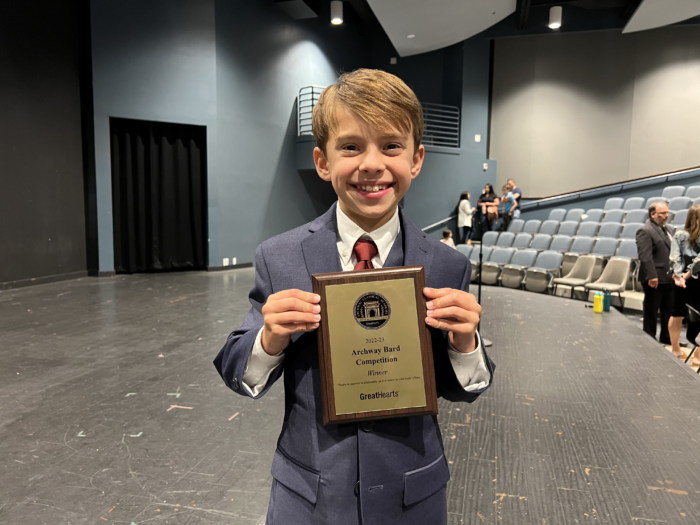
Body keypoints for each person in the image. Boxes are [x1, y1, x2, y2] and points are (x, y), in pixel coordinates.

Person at [214, 69, 494, 525]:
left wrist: (466, 345)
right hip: (310, 498)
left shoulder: (447, 266)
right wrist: (269, 339)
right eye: (350, 147)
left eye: (391, 146)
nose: (371, 164)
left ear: (416, 159)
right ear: (323, 162)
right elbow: (239, 371)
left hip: (413, 498)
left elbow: (464, 387)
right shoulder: (279, 257)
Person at [635, 202, 674, 347]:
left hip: (669, 277)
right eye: (662, 213)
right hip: (654, 278)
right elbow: (645, 256)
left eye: (667, 213)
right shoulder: (645, 231)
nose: (666, 216)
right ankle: (649, 339)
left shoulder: (669, 229)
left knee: (668, 310)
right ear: (653, 215)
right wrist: (652, 275)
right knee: (651, 310)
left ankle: (667, 337)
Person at [668, 205, 700, 362]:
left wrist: (679, 277)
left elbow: (674, 258)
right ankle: (698, 356)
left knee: (677, 313)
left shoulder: (679, 234)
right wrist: (689, 274)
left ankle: (675, 350)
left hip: (680, 282)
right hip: (697, 280)